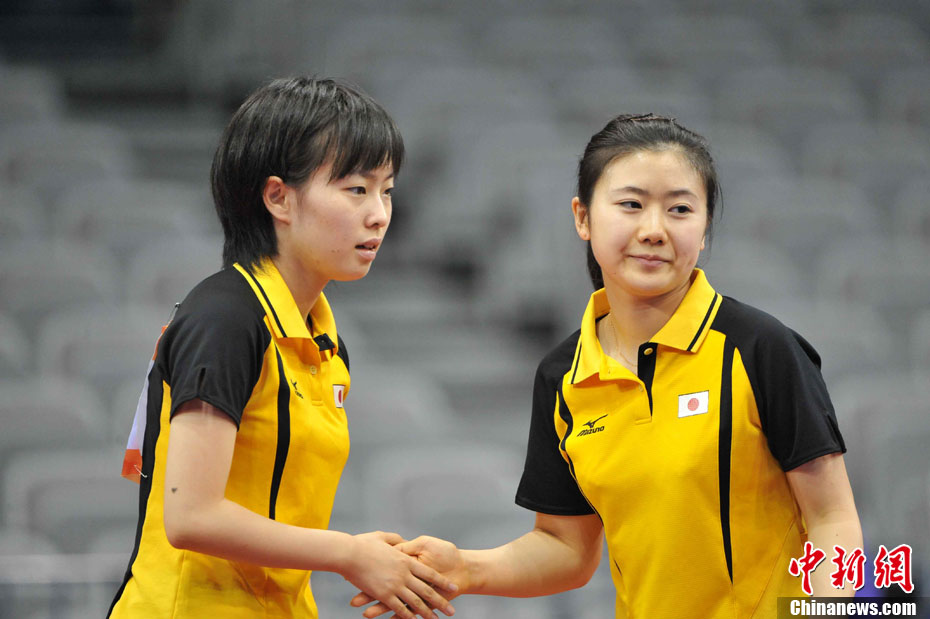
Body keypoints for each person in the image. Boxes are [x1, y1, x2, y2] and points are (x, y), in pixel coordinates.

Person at [351, 114, 862, 618]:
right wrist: (465, 568)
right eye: (631, 204)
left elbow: (832, 519)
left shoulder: (761, 349)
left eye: (681, 209)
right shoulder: (563, 376)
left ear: (704, 228)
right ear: (583, 217)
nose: (654, 230)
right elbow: (566, 549)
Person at [108, 77, 457, 619]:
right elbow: (191, 516)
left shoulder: (324, 342)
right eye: (356, 189)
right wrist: (349, 554)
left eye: (386, 190)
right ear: (278, 198)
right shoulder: (225, 319)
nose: (379, 214)